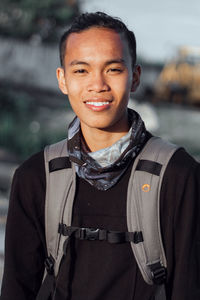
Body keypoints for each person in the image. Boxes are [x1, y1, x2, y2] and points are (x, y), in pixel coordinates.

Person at [0, 11, 200, 300]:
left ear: (135, 77)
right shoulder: (35, 178)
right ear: (62, 79)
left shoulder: (178, 175)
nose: (98, 84)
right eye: (81, 70)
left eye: (113, 69)